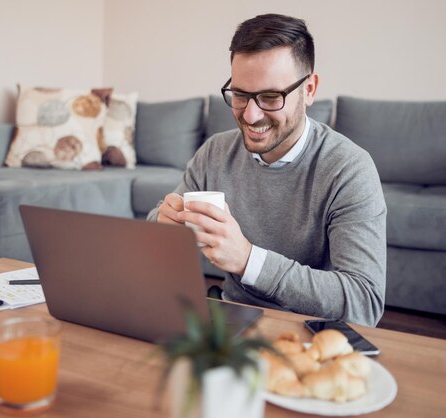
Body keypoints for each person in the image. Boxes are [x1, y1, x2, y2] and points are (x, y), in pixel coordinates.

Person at [147, 13, 386, 326]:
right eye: (241, 94)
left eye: (271, 97)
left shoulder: (349, 169)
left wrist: (248, 260)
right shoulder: (216, 152)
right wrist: (163, 226)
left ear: (310, 89)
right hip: (231, 321)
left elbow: (364, 302)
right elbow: (157, 231)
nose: (251, 114)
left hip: (309, 331)